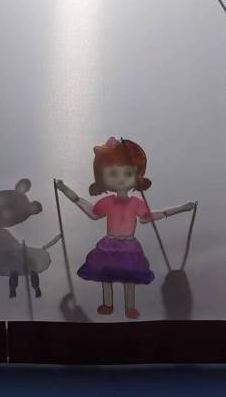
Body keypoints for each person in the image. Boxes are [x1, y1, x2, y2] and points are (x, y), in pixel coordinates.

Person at [55, 137, 193, 319]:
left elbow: (147, 218)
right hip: (109, 245)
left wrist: (180, 209)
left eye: (127, 173)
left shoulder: (136, 203)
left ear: (137, 175)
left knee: (130, 277)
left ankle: (129, 306)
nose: (120, 179)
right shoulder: (106, 202)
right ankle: (108, 303)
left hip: (129, 246)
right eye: (113, 173)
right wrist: (65, 190)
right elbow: (92, 212)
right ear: (103, 177)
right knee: (106, 275)